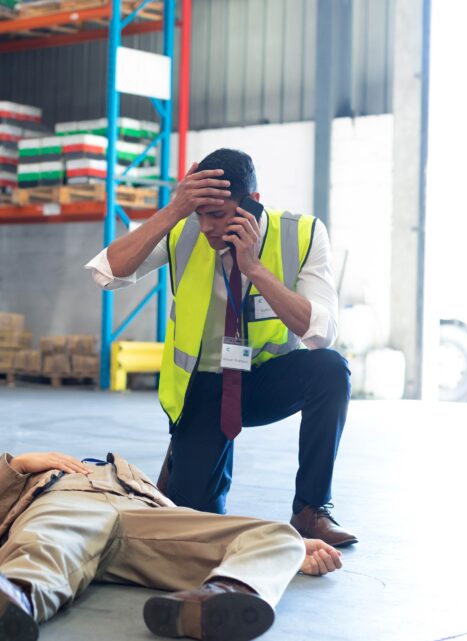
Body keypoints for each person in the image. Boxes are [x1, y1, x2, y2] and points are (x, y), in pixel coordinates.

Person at [84, 148, 356, 547]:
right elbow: (105, 274)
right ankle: (184, 456)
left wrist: (255, 270)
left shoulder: (303, 235)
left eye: (219, 215)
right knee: (194, 528)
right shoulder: (182, 230)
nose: (208, 227)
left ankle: (311, 510)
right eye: (201, 214)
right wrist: (174, 210)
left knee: (332, 369)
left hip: (266, 381)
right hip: (204, 390)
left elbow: (320, 333)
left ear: (253, 205)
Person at [0, 451, 342, 641]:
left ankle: (226, 592)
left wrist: (288, 554)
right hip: (66, 502)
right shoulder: (48, 475)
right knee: (46, 544)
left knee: (276, 533)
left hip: (142, 514)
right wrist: (20, 464)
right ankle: (14, 602)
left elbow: (202, 530)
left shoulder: (136, 480)